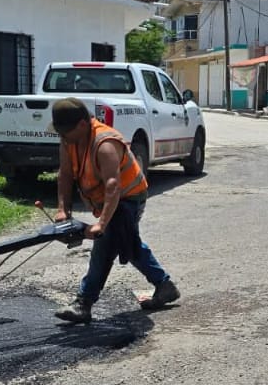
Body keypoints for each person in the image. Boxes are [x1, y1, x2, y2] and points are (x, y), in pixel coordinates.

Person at [48, 97, 179, 324]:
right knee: (127, 241)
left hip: (129, 197)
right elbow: (66, 174)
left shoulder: (105, 142)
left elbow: (113, 185)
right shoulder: (69, 139)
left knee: (106, 245)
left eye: (66, 132)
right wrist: (63, 210)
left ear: (81, 125)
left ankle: (84, 303)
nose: (63, 137)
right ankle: (164, 285)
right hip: (106, 200)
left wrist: (101, 224)